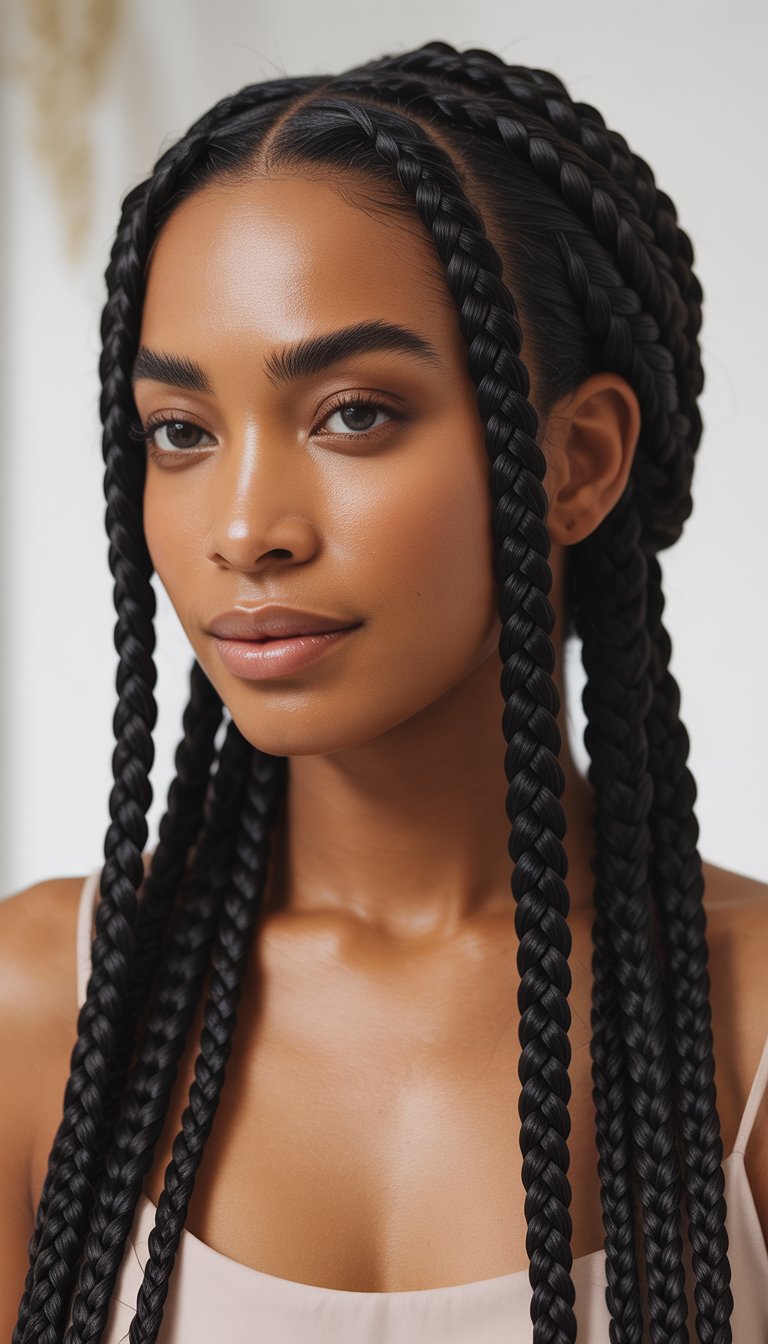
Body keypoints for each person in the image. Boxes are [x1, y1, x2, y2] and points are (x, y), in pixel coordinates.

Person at [2, 38, 767, 1344]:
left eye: (353, 414)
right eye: (181, 433)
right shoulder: (42, 1012)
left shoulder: (744, 1030)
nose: (245, 528)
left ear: (578, 461)